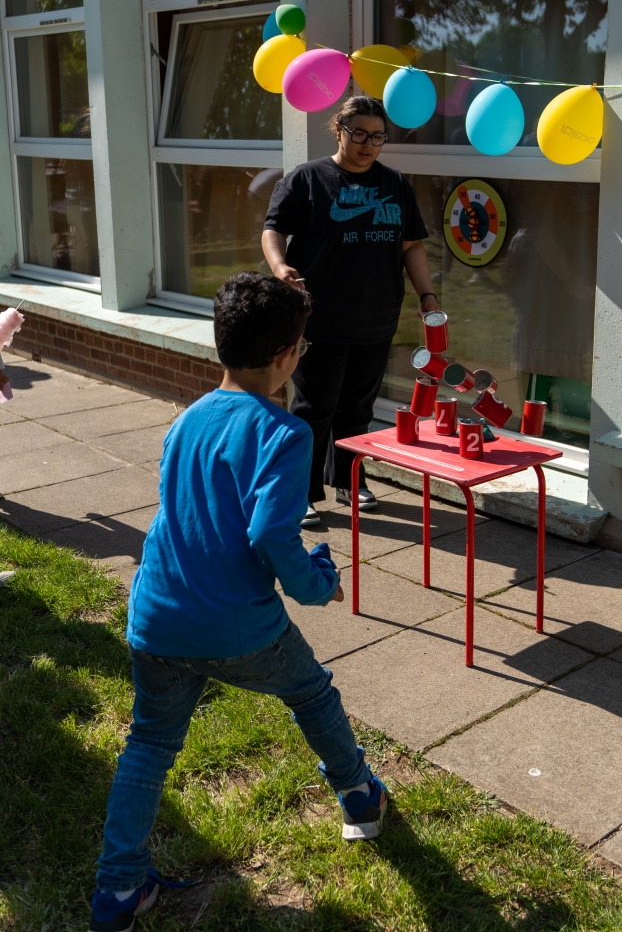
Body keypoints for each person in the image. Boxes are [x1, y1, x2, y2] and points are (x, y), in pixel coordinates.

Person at [87, 273, 387, 932]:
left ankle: (118, 890)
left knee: (148, 744)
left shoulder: (187, 418)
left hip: (156, 615)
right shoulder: (285, 433)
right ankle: (360, 798)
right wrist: (317, 583)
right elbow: (269, 534)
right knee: (311, 693)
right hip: (237, 627)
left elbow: (190, 513)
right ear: (286, 356)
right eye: (302, 347)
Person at [262, 95, 441, 527]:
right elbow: (274, 230)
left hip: (376, 318)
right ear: (338, 130)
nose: (368, 144)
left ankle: (349, 481)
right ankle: (300, 494)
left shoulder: (394, 183)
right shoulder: (308, 179)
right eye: (359, 133)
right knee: (313, 409)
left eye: (378, 137)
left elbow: (411, 245)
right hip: (318, 318)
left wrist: (427, 295)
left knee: (358, 409)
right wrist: (280, 267)